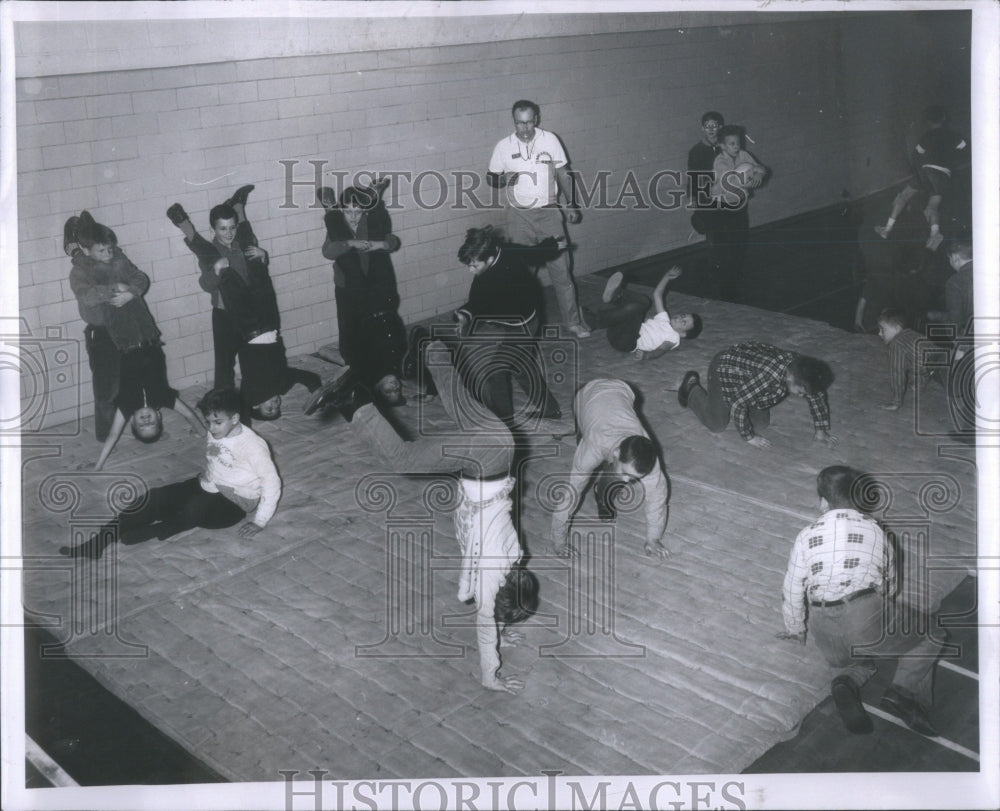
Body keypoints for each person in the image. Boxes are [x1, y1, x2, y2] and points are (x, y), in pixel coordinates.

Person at [321, 341, 539, 693]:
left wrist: (504, 624)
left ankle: (433, 348)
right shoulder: (492, 577)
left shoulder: (514, 560)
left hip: (501, 444)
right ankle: (353, 399)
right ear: (499, 593)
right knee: (405, 459)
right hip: (484, 458)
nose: (490, 614)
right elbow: (486, 620)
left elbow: (494, 603)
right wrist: (491, 674)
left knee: (458, 401)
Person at [777, 465, 942, 736]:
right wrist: (884, 609)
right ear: (860, 500)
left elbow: (792, 587)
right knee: (931, 633)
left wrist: (796, 629)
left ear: (823, 503)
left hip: (823, 630)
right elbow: (889, 580)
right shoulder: (876, 531)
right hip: (862, 614)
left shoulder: (806, 535)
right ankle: (904, 694)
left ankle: (846, 680)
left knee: (860, 658)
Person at [61, 388, 282, 560]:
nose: (212, 428)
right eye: (208, 422)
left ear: (234, 419)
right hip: (210, 485)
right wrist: (207, 480)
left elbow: (272, 483)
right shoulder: (217, 432)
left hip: (234, 504)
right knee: (155, 496)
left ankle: (157, 530)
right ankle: (99, 542)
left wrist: (259, 522)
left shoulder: (253, 445)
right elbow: (216, 461)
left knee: (194, 508)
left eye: (217, 422)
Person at [65, 211, 205, 469]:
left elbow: (115, 434)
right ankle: (86, 233)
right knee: (108, 271)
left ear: (133, 421)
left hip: (122, 336)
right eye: (103, 250)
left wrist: (97, 466)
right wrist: (127, 291)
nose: (146, 419)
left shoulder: (127, 406)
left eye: (142, 424)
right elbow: (189, 415)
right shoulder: (163, 397)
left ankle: (75, 247)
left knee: (99, 270)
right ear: (159, 417)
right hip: (145, 334)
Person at [487, 99, 590, 338]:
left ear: (537, 119)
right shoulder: (503, 146)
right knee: (521, 273)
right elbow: (491, 178)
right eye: (519, 123)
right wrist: (504, 180)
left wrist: (571, 204)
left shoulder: (550, 140)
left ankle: (573, 323)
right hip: (519, 216)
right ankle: (518, 322)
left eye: (528, 122)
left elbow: (563, 173)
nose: (524, 128)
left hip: (549, 213)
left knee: (561, 271)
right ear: (514, 121)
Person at [451, 225, 562, 424]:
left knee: (497, 372)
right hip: (516, 321)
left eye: (474, 265)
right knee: (521, 367)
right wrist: (464, 316)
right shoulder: (494, 260)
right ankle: (550, 408)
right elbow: (476, 301)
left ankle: (505, 427)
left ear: (490, 259)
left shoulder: (501, 271)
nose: (471, 270)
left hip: (525, 324)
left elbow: (535, 253)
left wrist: (553, 244)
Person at [549, 378, 670, 559]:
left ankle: (602, 490)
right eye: (626, 474)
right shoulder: (593, 447)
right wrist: (559, 543)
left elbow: (657, 499)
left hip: (622, 390)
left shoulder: (648, 453)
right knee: (587, 457)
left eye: (634, 478)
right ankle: (577, 430)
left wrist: (653, 539)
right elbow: (570, 496)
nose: (627, 483)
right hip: (583, 397)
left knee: (615, 474)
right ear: (616, 452)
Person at [317, 177, 408, 406]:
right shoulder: (345, 226)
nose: (354, 217)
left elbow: (392, 242)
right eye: (348, 212)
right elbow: (328, 251)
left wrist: (375, 245)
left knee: (363, 336)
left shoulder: (355, 223)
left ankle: (348, 204)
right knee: (350, 328)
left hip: (368, 282)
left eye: (358, 211)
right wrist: (356, 244)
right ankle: (374, 198)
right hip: (351, 287)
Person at [166, 184, 263, 390]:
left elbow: (255, 273)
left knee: (252, 359)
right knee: (224, 364)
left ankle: (237, 206)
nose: (229, 233)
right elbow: (205, 284)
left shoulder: (240, 243)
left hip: (248, 310)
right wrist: (216, 271)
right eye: (222, 229)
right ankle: (184, 222)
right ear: (213, 229)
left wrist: (262, 257)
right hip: (224, 314)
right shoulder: (210, 252)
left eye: (232, 227)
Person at [678, 342, 837, 449]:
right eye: (801, 392)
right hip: (724, 369)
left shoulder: (802, 370)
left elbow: (817, 396)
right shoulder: (769, 375)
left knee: (760, 424)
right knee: (717, 425)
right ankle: (691, 388)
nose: (802, 396)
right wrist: (748, 437)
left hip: (751, 376)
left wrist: (820, 429)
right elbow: (737, 404)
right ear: (791, 378)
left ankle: (749, 393)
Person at [874, 106, 968, 251]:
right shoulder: (954, 135)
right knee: (932, 207)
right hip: (943, 175)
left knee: (903, 197)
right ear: (944, 119)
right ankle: (935, 233)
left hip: (925, 172)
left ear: (928, 122)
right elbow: (964, 149)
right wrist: (951, 162)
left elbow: (916, 155)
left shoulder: (927, 136)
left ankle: (887, 229)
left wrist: (916, 171)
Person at [585, 266, 702, 359]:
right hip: (618, 329)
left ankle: (593, 321)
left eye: (683, 323)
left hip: (626, 342)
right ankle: (615, 296)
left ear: (683, 334)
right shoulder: (664, 318)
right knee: (645, 302)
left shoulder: (673, 337)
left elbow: (661, 350)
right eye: (683, 316)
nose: (679, 319)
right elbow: (657, 294)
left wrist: (647, 355)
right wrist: (667, 277)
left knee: (637, 309)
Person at [711, 125, 768, 301]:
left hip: (740, 205)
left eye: (738, 142)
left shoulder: (743, 155)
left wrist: (758, 173)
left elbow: (762, 169)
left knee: (740, 240)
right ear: (722, 145)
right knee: (726, 245)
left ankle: (735, 275)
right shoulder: (720, 162)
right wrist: (748, 177)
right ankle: (725, 284)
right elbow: (733, 180)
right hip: (723, 207)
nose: (736, 146)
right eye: (731, 143)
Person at [686, 111, 726, 296]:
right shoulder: (696, 151)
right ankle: (715, 269)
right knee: (712, 233)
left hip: (725, 197)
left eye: (715, 125)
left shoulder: (726, 148)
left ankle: (725, 266)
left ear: (720, 127)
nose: (711, 129)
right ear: (703, 129)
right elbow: (692, 176)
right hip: (706, 198)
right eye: (708, 126)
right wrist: (693, 198)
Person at [876, 308, 934, 411]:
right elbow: (922, 358)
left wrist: (896, 402)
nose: (879, 334)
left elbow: (897, 373)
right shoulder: (912, 333)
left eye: (882, 330)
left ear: (897, 329)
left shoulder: (896, 344)